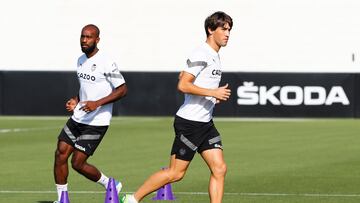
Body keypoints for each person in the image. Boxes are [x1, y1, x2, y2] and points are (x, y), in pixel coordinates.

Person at [121, 11, 233, 203]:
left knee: (219, 168)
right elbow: (183, 85)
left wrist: (213, 97)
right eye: (223, 29)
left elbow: (185, 78)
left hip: (205, 123)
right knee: (175, 173)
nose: (227, 34)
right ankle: (132, 199)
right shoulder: (202, 53)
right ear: (210, 29)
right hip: (190, 123)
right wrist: (213, 93)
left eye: (229, 30)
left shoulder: (215, 56)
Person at [53, 24, 127, 202]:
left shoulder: (106, 62)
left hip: (97, 122)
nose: (84, 40)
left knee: (77, 163)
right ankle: (62, 199)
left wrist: (97, 103)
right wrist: (76, 100)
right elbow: (86, 89)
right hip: (78, 117)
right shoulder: (80, 60)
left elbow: (122, 89)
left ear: (97, 40)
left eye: (89, 37)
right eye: (82, 37)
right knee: (60, 153)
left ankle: (110, 184)